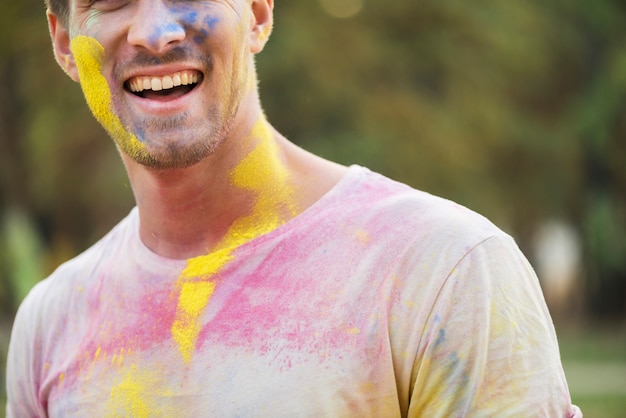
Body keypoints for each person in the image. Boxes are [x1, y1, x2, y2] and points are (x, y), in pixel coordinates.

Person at [6, 0, 582, 416]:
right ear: (63, 41)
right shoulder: (50, 325)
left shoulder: (443, 272)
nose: (156, 31)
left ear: (257, 12)